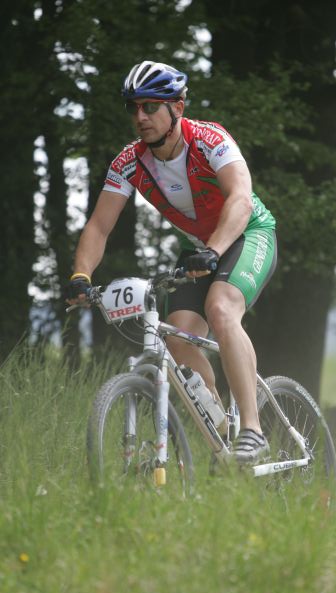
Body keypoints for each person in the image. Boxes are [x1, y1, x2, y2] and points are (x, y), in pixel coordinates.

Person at [66, 60, 277, 463]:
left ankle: (252, 429)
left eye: (150, 106)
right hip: (201, 248)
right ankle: (223, 432)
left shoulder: (210, 140)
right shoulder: (129, 162)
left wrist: (214, 251)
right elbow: (99, 226)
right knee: (177, 337)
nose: (140, 117)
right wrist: (81, 275)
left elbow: (241, 199)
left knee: (221, 309)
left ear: (177, 108)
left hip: (248, 233)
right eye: (133, 108)